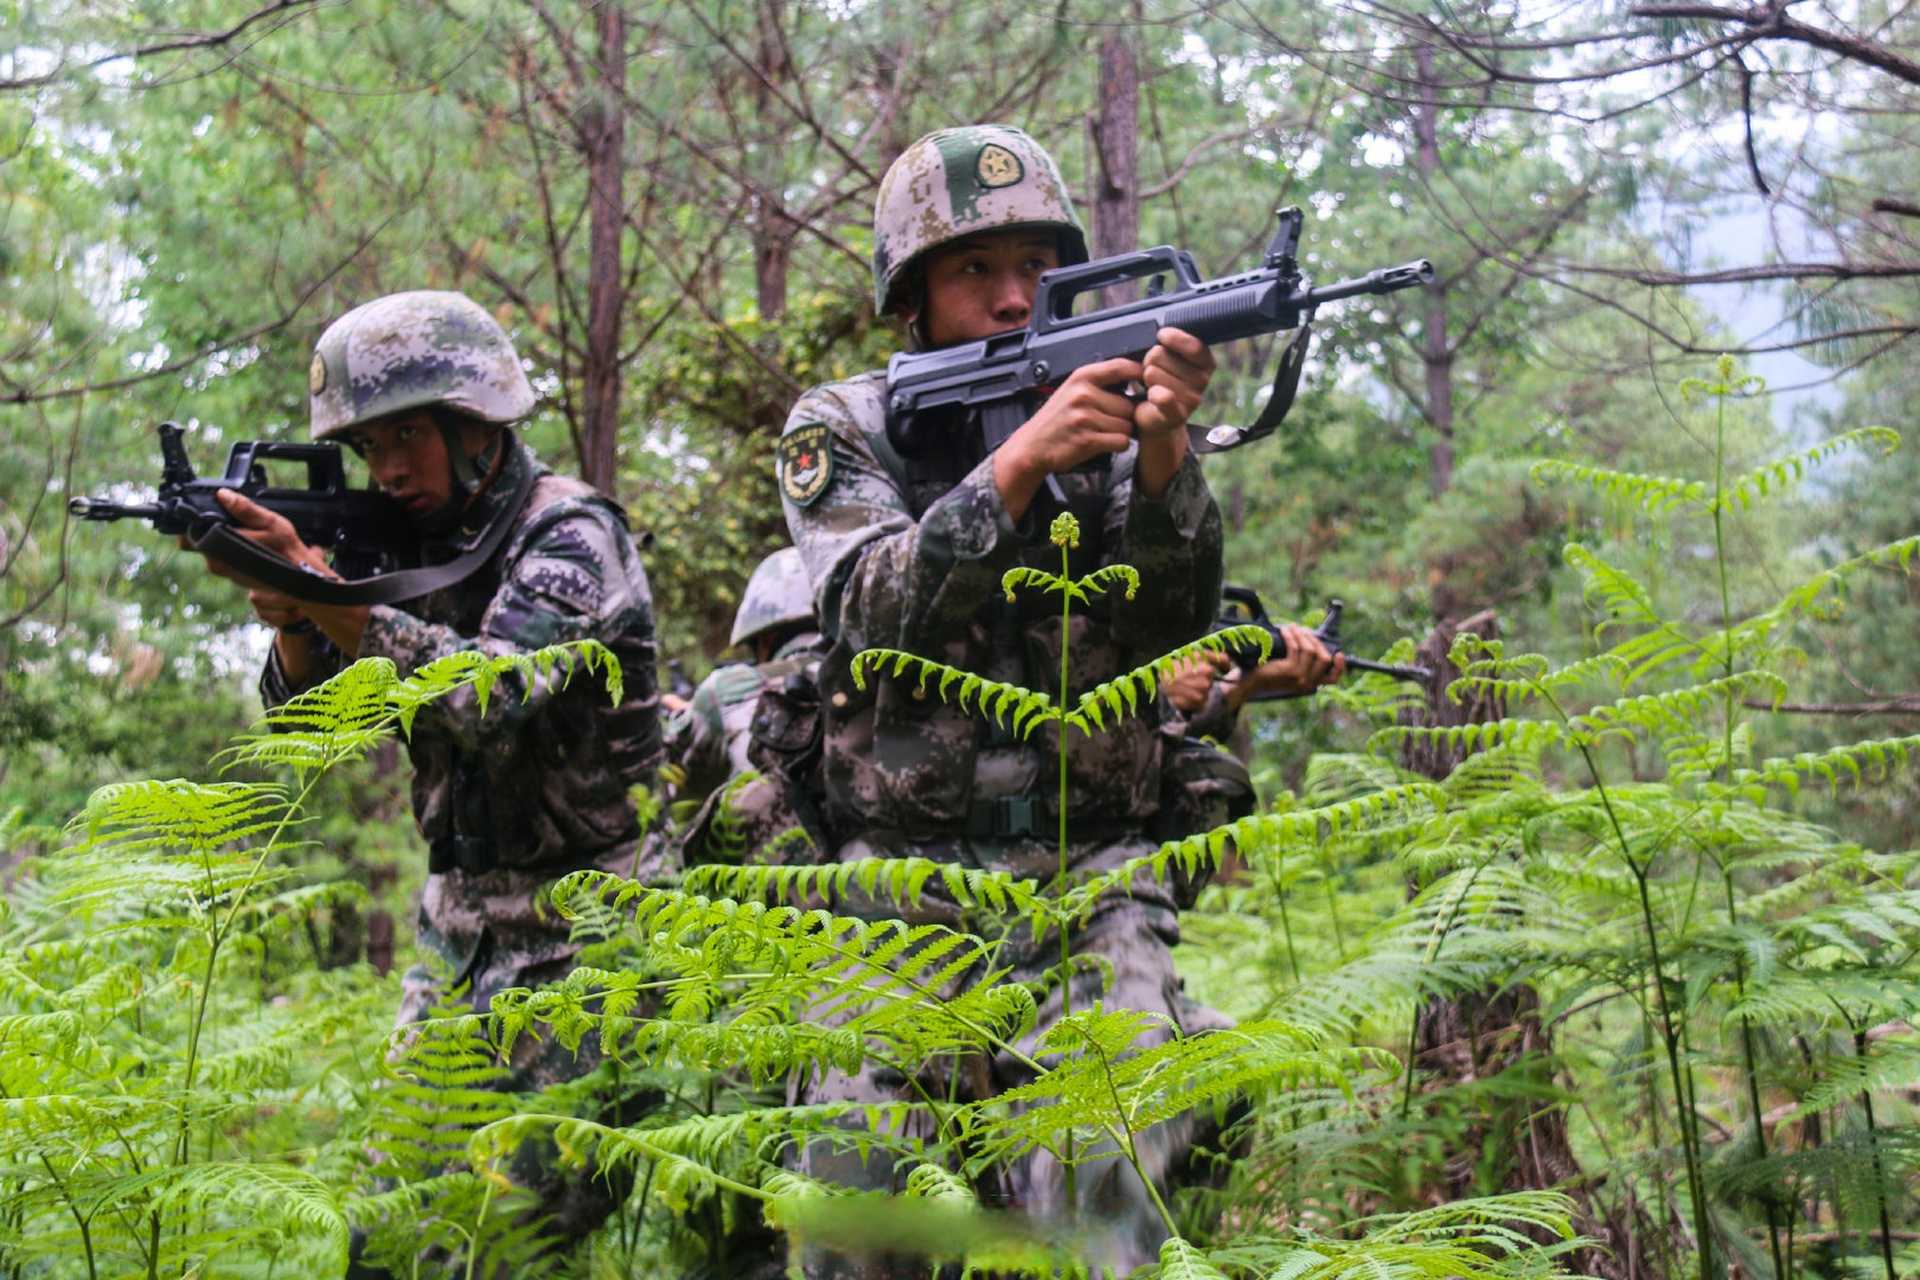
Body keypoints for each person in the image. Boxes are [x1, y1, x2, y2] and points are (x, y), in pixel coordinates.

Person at [776, 125, 1339, 1275]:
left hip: (1093, 872)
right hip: (895, 881)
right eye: (976, 269)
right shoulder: (843, 425)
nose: (1013, 295)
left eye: (1036, 266)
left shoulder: (1112, 411)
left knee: (1105, 1172)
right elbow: (867, 604)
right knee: (856, 1192)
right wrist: (1015, 468)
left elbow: (1174, 626)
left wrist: (1167, 451)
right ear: (911, 291)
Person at [186, 290, 664, 1267]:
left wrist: (328, 593)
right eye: (369, 446)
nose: (390, 467)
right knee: (385, 1242)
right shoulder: (405, 550)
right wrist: (295, 614)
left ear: (479, 420)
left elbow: (483, 697)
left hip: (588, 931)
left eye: (408, 433)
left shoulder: (571, 533)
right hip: (455, 929)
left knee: (503, 1242)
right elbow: (313, 726)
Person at [664, 546, 829, 865]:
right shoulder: (883, 677)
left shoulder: (726, 690)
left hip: (772, 900)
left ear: (764, 639)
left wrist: (688, 715)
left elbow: (683, 795)